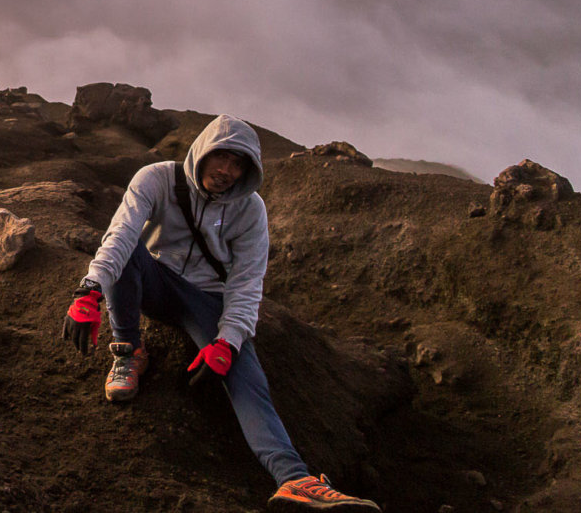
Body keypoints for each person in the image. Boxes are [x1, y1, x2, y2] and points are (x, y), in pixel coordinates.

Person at [61, 114, 382, 512]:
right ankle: (129, 351)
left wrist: (227, 342)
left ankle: (294, 479)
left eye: (238, 164)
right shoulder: (157, 179)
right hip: (155, 280)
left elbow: (247, 285)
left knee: (245, 374)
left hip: (207, 298)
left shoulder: (251, 211)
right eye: (221, 156)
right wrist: (89, 290)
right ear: (202, 151)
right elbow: (121, 234)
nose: (227, 170)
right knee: (127, 255)